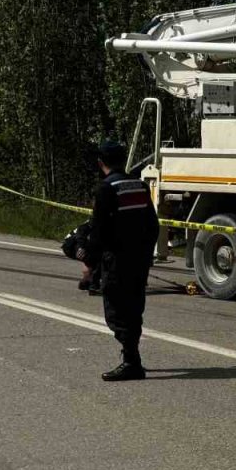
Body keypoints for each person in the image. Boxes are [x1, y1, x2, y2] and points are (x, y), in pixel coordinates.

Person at [81, 141, 159, 381]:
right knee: (134, 308)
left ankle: (131, 362)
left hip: (117, 260)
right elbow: (153, 226)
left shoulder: (106, 188)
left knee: (116, 312)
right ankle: (132, 357)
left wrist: (89, 264)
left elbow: (99, 231)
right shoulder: (140, 186)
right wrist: (146, 256)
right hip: (138, 259)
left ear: (100, 162)